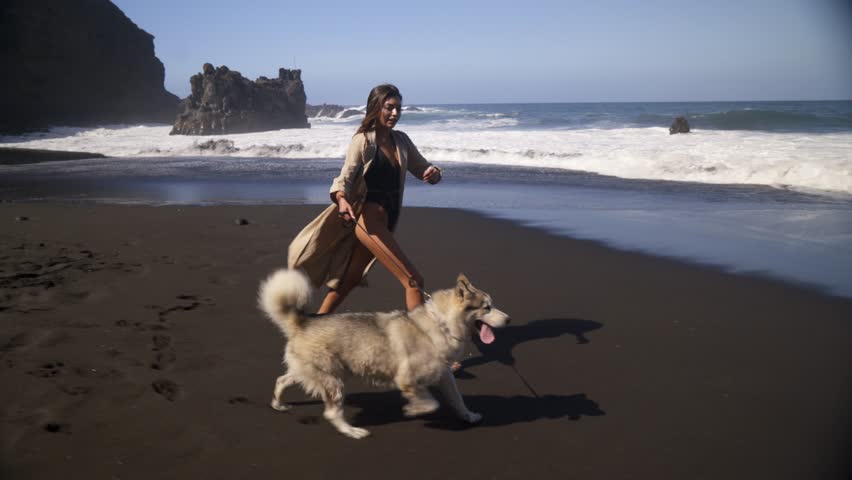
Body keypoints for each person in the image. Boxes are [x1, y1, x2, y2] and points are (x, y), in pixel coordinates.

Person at [287, 84, 442, 314]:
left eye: (399, 108)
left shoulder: (401, 140)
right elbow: (345, 177)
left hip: (387, 223)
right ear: (376, 107)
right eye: (389, 108)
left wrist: (434, 173)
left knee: (350, 278)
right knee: (413, 281)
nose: (395, 114)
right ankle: (421, 345)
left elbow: (423, 168)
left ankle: (316, 324)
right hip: (369, 223)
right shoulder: (363, 141)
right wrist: (341, 199)